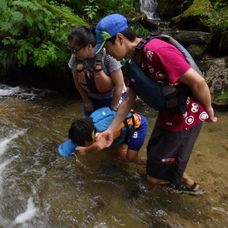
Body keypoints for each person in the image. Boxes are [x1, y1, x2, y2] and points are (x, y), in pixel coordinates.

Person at [92, 14, 218, 195]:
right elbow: (128, 100)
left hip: (187, 113)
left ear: (119, 39)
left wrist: (209, 110)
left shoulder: (157, 51)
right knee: (155, 153)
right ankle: (189, 185)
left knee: (156, 167)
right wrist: (110, 130)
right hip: (169, 111)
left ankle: (141, 198)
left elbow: (198, 82)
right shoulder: (131, 62)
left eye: (106, 47)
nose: (106, 53)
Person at [67, 26, 126, 116]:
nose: (73, 53)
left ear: (89, 46)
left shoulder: (108, 56)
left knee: (112, 125)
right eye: (70, 49)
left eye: (75, 50)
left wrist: (113, 108)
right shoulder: (76, 57)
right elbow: (76, 80)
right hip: (92, 98)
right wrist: (86, 100)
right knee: (90, 126)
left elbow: (119, 84)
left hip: (114, 96)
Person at [58, 107, 148, 165]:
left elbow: (99, 146)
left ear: (86, 142)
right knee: (113, 151)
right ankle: (117, 161)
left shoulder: (100, 135)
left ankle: (151, 164)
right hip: (123, 124)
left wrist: (86, 150)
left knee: (131, 157)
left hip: (138, 125)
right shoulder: (91, 120)